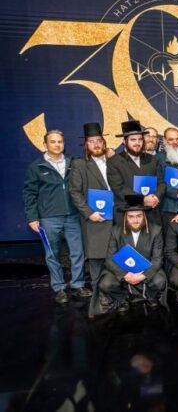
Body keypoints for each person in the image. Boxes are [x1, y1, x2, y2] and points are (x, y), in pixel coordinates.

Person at [24, 129, 89, 303]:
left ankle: (78, 285)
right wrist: (32, 217)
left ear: (64, 143)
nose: (57, 145)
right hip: (49, 218)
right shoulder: (37, 166)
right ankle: (59, 288)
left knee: (77, 252)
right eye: (53, 142)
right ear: (45, 145)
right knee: (52, 254)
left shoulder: (73, 162)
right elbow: (29, 193)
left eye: (60, 141)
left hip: (73, 215)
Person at [95, 194, 166, 312]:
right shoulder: (116, 231)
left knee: (160, 281)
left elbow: (157, 259)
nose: (135, 220)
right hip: (125, 271)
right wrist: (125, 274)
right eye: (131, 217)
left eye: (139, 216)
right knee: (105, 283)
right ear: (125, 217)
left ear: (144, 216)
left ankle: (150, 296)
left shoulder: (156, 230)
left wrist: (143, 275)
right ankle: (123, 298)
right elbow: (109, 259)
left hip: (145, 270)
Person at [68, 123, 114, 292]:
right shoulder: (80, 164)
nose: (96, 144)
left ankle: (117, 292)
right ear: (86, 145)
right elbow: (75, 192)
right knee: (97, 259)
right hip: (96, 218)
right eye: (92, 141)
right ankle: (99, 294)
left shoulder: (114, 161)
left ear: (104, 143)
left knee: (116, 257)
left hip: (116, 216)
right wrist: (89, 213)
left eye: (99, 141)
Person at [106, 120, 165, 225]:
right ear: (124, 141)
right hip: (127, 215)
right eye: (133, 140)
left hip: (152, 213)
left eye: (140, 139)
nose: (137, 143)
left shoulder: (152, 159)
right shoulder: (114, 162)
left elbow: (161, 183)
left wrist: (156, 197)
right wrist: (143, 199)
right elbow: (119, 188)